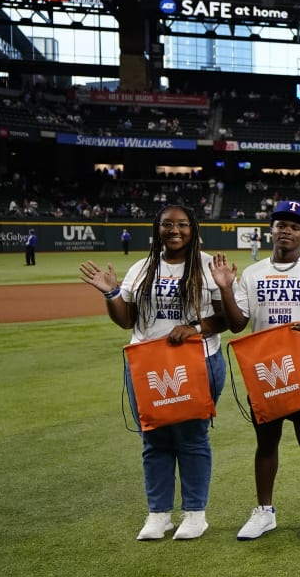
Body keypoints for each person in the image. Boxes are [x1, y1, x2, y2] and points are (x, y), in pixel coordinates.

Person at [77, 205, 236, 541]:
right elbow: (126, 320)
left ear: (193, 229)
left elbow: (227, 320)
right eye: (167, 224)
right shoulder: (143, 266)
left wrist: (194, 327)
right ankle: (159, 513)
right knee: (154, 439)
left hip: (198, 361)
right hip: (148, 363)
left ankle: (195, 513)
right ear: (157, 228)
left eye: (182, 224)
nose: (174, 230)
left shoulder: (209, 266)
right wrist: (111, 292)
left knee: (192, 439)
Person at [219, 200, 300, 541]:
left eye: (295, 225)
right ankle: (264, 511)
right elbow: (237, 323)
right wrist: (225, 288)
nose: (286, 229)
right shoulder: (252, 273)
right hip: (264, 370)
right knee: (266, 442)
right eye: (280, 224)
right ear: (270, 230)